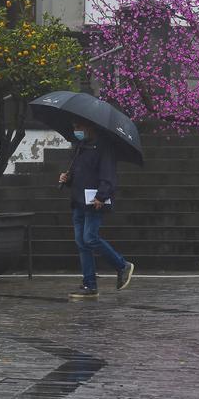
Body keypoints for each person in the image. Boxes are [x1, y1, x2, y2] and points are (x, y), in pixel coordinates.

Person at [59, 119, 134, 298]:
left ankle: (122, 265)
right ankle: (89, 285)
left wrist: (102, 195)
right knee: (82, 243)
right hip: (78, 201)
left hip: (93, 201)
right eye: (74, 127)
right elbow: (78, 172)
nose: (75, 130)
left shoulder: (103, 147)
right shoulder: (80, 146)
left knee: (90, 238)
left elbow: (108, 174)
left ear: (89, 127)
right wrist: (66, 178)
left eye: (78, 126)